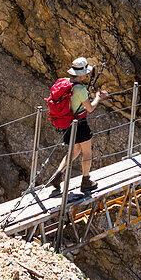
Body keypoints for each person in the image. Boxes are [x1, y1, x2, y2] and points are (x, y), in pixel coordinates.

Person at [51, 57, 108, 195]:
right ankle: (86, 181)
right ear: (81, 74)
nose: (87, 75)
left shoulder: (65, 84)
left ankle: (58, 174)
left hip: (67, 123)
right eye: (86, 73)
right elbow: (89, 108)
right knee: (87, 152)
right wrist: (98, 98)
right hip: (80, 123)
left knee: (74, 150)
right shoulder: (80, 89)